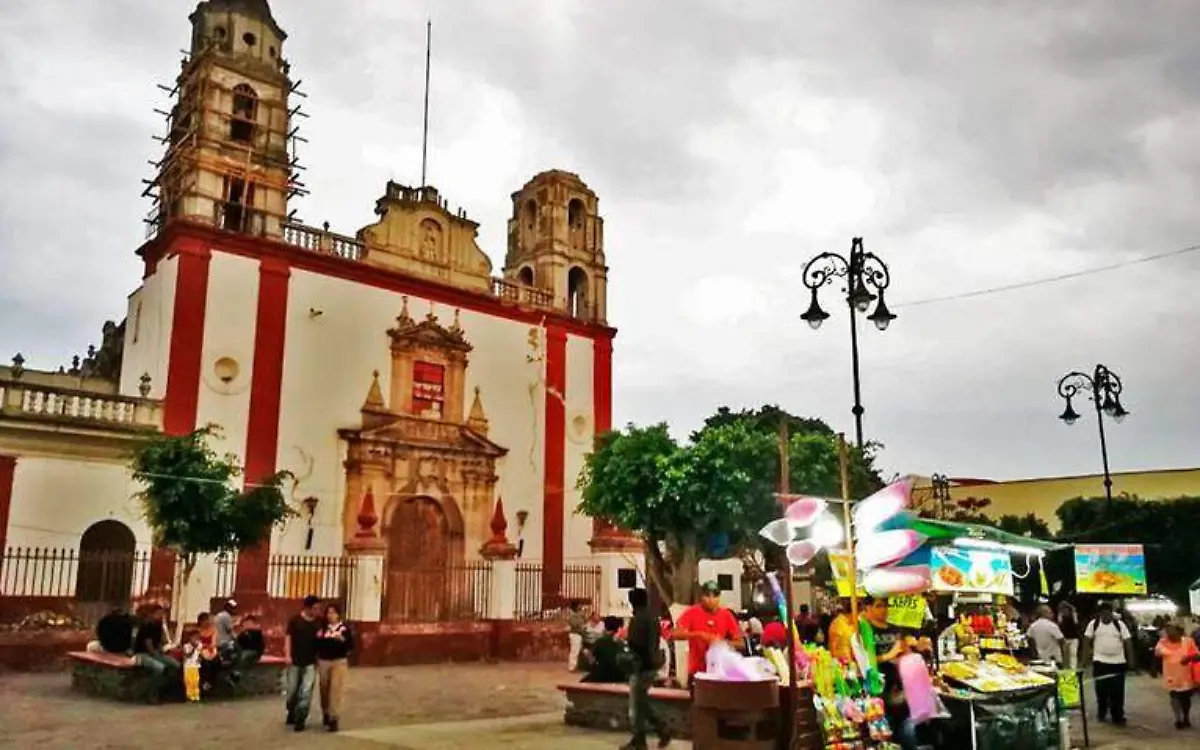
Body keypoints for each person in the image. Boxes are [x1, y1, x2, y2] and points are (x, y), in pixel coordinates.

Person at [624, 588, 671, 750]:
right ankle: (659, 731)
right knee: (641, 701)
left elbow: (636, 643)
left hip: (642, 665)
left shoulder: (639, 619)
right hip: (652, 663)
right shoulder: (652, 617)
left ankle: (643, 738)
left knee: (638, 704)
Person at [671, 581, 743, 684]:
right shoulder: (692, 612)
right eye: (708, 596)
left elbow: (740, 643)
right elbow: (675, 634)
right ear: (702, 597)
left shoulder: (726, 615)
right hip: (697, 672)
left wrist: (721, 642)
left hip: (718, 673)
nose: (711, 600)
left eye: (715, 596)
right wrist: (699, 635)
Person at [1083, 602, 1135, 725]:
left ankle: (1118, 715)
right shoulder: (1093, 625)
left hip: (1118, 662)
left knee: (1117, 691)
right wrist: (1085, 659)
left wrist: (1131, 659)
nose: (1107, 615)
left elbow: (1128, 642)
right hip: (1100, 662)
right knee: (1101, 690)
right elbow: (1086, 641)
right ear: (1100, 614)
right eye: (1104, 613)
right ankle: (1102, 711)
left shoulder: (1119, 625)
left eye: (1109, 612)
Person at [284, 595, 323, 732]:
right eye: (315, 608)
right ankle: (291, 710)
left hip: (310, 662)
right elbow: (288, 637)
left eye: (319, 608)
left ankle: (301, 717)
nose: (318, 611)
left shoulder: (319, 622)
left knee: (306, 691)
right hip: (295, 660)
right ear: (307, 608)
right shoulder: (295, 620)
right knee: (292, 690)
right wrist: (287, 655)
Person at [316, 602, 354, 733]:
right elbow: (316, 644)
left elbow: (350, 646)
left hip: (339, 661)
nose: (330, 615)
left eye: (333, 613)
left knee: (336, 689)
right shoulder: (322, 629)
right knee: (324, 688)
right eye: (328, 613)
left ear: (338, 614)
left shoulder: (344, 629)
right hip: (324, 661)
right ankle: (326, 711)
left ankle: (334, 717)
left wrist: (342, 639)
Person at [132, 603, 180, 703]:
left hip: (156, 652)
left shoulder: (159, 625)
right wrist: (157, 655)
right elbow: (148, 644)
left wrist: (164, 650)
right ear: (152, 614)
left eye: (162, 613)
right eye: (159, 613)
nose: (161, 615)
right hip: (143, 654)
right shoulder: (147, 625)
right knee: (159, 668)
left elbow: (159, 642)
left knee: (176, 665)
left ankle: (168, 692)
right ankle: (152, 693)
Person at [1154, 623, 1197, 729]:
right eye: (1167, 631)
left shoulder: (1188, 641)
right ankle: (1178, 719)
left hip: (1186, 676)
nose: (1169, 633)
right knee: (1174, 696)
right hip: (1170, 675)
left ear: (1178, 631)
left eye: (1171, 630)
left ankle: (1186, 716)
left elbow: (1197, 654)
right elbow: (1157, 654)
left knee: (1186, 699)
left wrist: (1189, 658)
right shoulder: (1162, 642)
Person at [582, 616, 629, 684]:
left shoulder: (601, 642)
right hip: (620, 677)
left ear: (605, 627)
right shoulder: (622, 642)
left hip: (603, 676)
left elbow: (592, 661)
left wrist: (587, 654)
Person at [1058, 601, 1081, 669]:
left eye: (1067, 610)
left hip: (1074, 638)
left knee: (1073, 654)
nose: (1065, 611)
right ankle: (1066, 667)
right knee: (1065, 655)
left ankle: (1073, 668)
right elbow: (1059, 623)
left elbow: (1076, 621)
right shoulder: (1061, 617)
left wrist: (1069, 606)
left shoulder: (1073, 616)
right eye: (1064, 610)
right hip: (1065, 638)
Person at [567, 600, 586, 671]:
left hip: (579, 634)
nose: (581, 607)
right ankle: (572, 667)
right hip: (575, 634)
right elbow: (575, 625)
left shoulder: (578, 614)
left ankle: (575, 666)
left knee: (577, 651)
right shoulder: (572, 615)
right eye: (579, 605)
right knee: (574, 651)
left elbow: (584, 621)